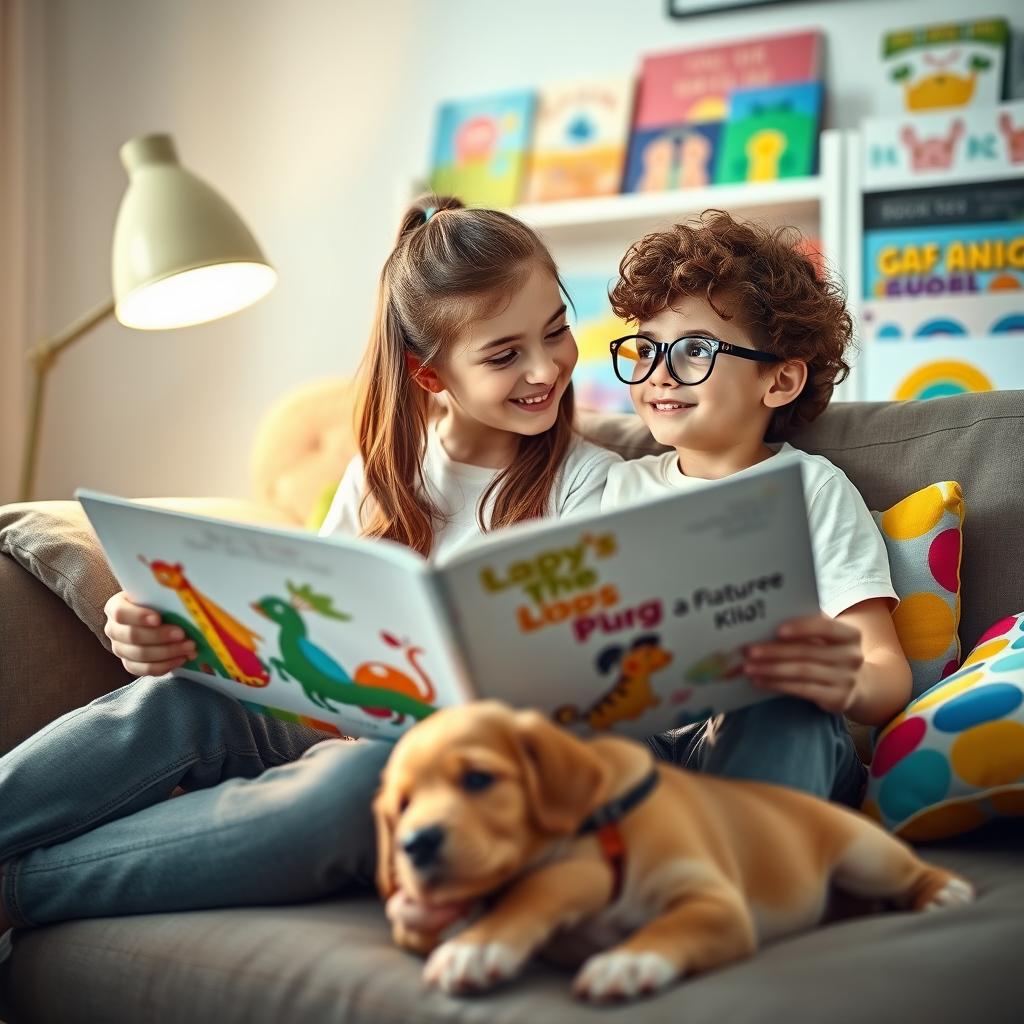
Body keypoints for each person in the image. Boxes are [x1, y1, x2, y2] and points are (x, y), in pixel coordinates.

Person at [0, 195, 619, 955]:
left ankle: (17, 889)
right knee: (182, 699)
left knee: (356, 789)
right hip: (335, 720)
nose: (545, 367)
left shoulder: (592, 484)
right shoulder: (384, 475)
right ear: (429, 376)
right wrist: (159, 631)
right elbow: (304, 627)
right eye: (503, 355)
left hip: (450, 769)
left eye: (556, 330)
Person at [601, 209, 910, 807]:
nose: (659, 374)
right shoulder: (618, 488)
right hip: (649, 742)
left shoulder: (811, 489)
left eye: (694, 350)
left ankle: (750, 844)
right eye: (646, 349)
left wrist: (845, 682)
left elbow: (883, 667)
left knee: (776, 707)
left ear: (779, 381)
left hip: (769, 730)